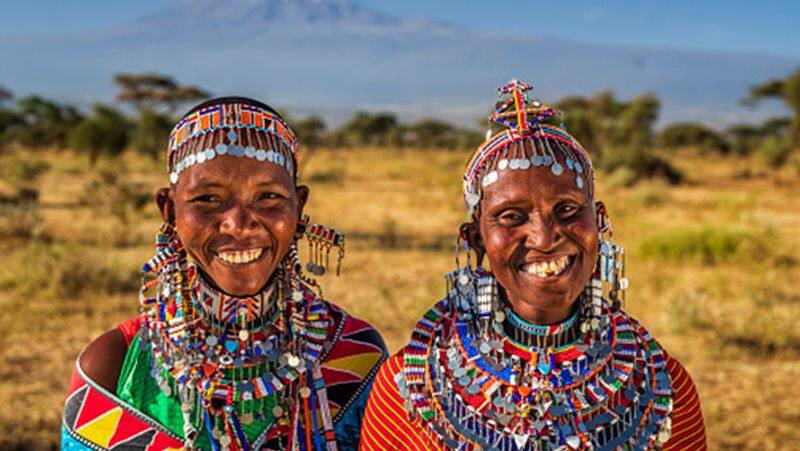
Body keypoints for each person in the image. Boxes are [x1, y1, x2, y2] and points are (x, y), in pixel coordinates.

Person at [360, 80, 705, 450]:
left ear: (599, 222)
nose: (544, 237)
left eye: (568, 210)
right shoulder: (413, 386)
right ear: (475, 238)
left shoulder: (657, 384)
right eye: (511, 216)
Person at [61, 97, 387, 450]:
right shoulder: (114, 366)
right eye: (207, 199)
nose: (239, 225)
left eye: (268, 197)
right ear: (169, 210)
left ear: (299, 206)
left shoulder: (353, 355)